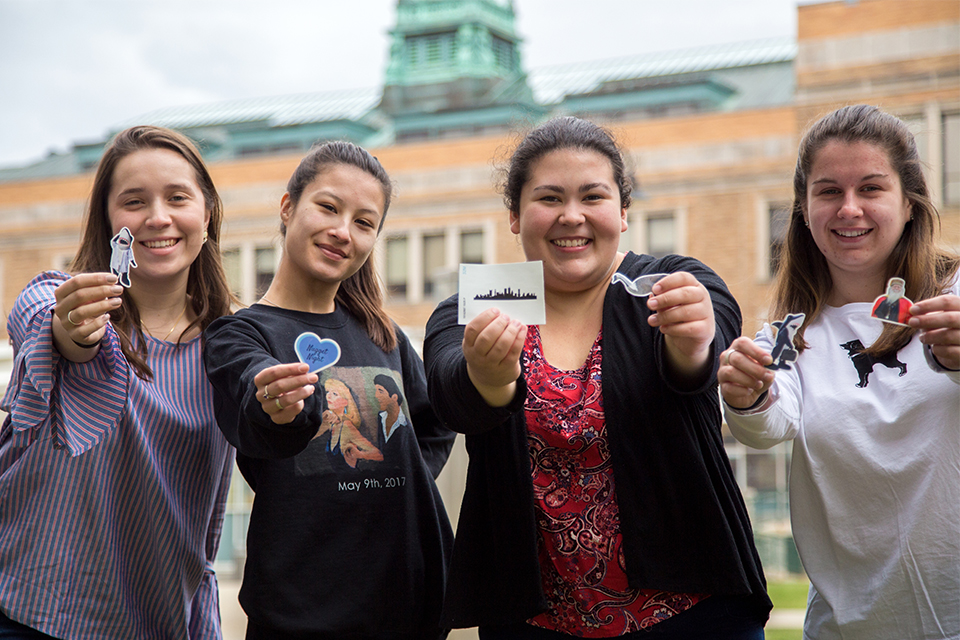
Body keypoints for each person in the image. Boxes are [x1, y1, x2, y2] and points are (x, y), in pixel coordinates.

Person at [423, 116, 771, 639]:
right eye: (548, 199)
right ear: (514, 216)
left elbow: (704, 358)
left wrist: (693, 341)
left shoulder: (671, 284)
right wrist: (491, 376)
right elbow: (453, 395)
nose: (571, 216)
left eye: (593, 196)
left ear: (623, 212)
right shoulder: (476, 309)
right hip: (536, 622)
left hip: (693, 614)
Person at [719, 105, 960, 640]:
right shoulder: (787, 332)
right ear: (804, 210)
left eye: (871, 188)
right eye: (828, 191)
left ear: (909, 202)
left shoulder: (955, 296)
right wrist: (745, 394)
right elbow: (766, 423)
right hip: (845, 627)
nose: (849, 209)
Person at [203, 140, 455, 639]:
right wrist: (280, 404)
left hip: (409, 607)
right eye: (328, 207)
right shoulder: (239, 334)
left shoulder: (383, 334)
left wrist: (399, 481)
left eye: (364, 223)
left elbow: (433, 424)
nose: (343, 232)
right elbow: (257, 411)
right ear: (287, 207)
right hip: (301, 610)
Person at [0, 125, 237, 639]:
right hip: (28, 613)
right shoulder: (54, 296)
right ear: (108, 220)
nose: (157, 217)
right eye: (133, 201)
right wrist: (74, 332)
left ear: (208, 211)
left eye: (178, 197)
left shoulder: (231, 346)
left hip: (162, 620)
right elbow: (49, 324)